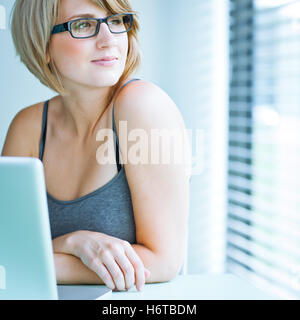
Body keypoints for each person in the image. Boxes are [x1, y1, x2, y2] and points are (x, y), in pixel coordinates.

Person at [2, 0, 191, 292]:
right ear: (43, 45)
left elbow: (164, 261)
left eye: (116, 21)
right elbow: (7, 251)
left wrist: (45, 262)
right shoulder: (28, 127)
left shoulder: (143, 106)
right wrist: (73, 242)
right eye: (83, 25)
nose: (108, 40)